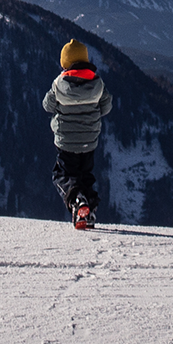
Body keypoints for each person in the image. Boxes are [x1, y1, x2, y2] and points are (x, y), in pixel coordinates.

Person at [43, 38, 113, 229]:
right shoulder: (98, 84)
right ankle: (89, 208)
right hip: (89, 141)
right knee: (85, 174)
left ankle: (77, 202)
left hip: (66, 142)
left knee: (61, 175)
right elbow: (106, 107)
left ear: (64, 63)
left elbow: (47, 105)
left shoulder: (59, 84)